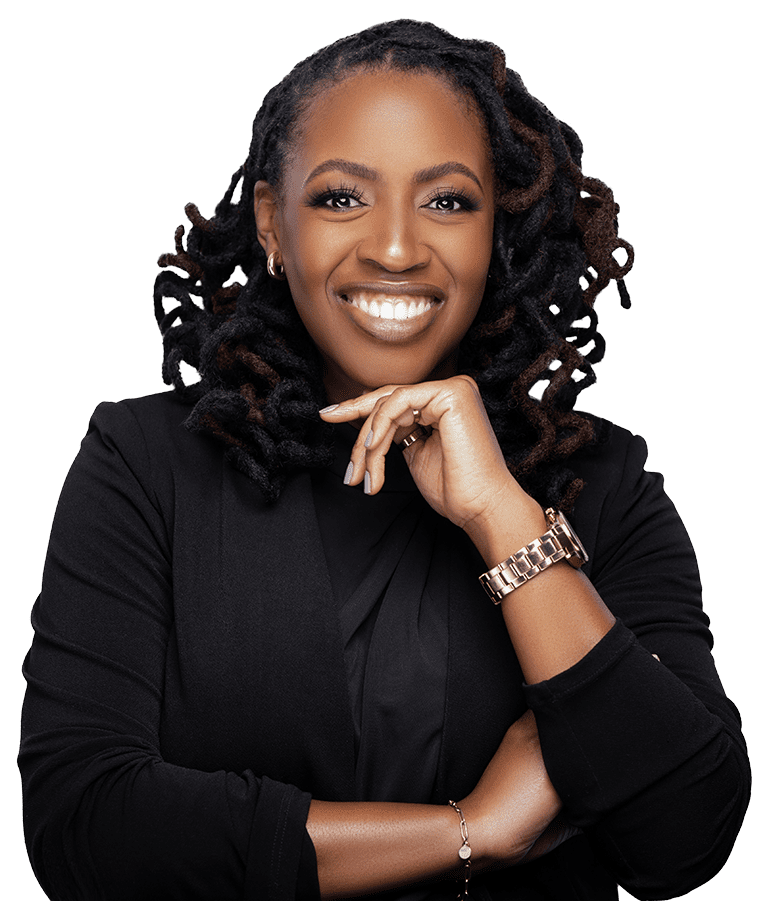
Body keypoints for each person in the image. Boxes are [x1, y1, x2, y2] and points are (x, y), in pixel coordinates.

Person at [19, 18, 749, 901]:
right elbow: (86, 828)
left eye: (447, 201)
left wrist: (504, 521)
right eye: (339, 198)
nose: (397, 248)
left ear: (498, 232)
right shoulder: (143, 464)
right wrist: (469, 833)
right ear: (272, 227)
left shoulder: (606, 483)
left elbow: (685, 834)